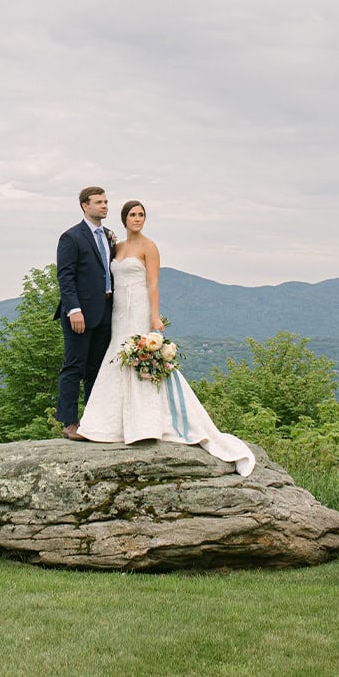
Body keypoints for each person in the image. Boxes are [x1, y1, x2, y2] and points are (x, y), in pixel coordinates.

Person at [76, 201, 256, 476]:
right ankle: (110, 425)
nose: (138, 219)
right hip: (119, 312)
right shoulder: (118, 247)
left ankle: (146, 424)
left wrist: (155, 317)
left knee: (139, 359)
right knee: (117, 357)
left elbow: (153, 283)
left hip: (140, 309)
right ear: (124, 219)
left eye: (141, 215)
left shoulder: (149, 247)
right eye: (133, 215)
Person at [53, 186, 116, 440]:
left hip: (105, 311)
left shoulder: (108, 236)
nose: (104, 206)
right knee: (74, 367)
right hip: (79, 313)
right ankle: (69, 423)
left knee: (96, 370)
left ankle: (92, 422)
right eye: (99, 202)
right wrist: (74, 310)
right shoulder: (71, 237)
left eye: (106, 201)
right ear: (84, 206)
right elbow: (65, 276)